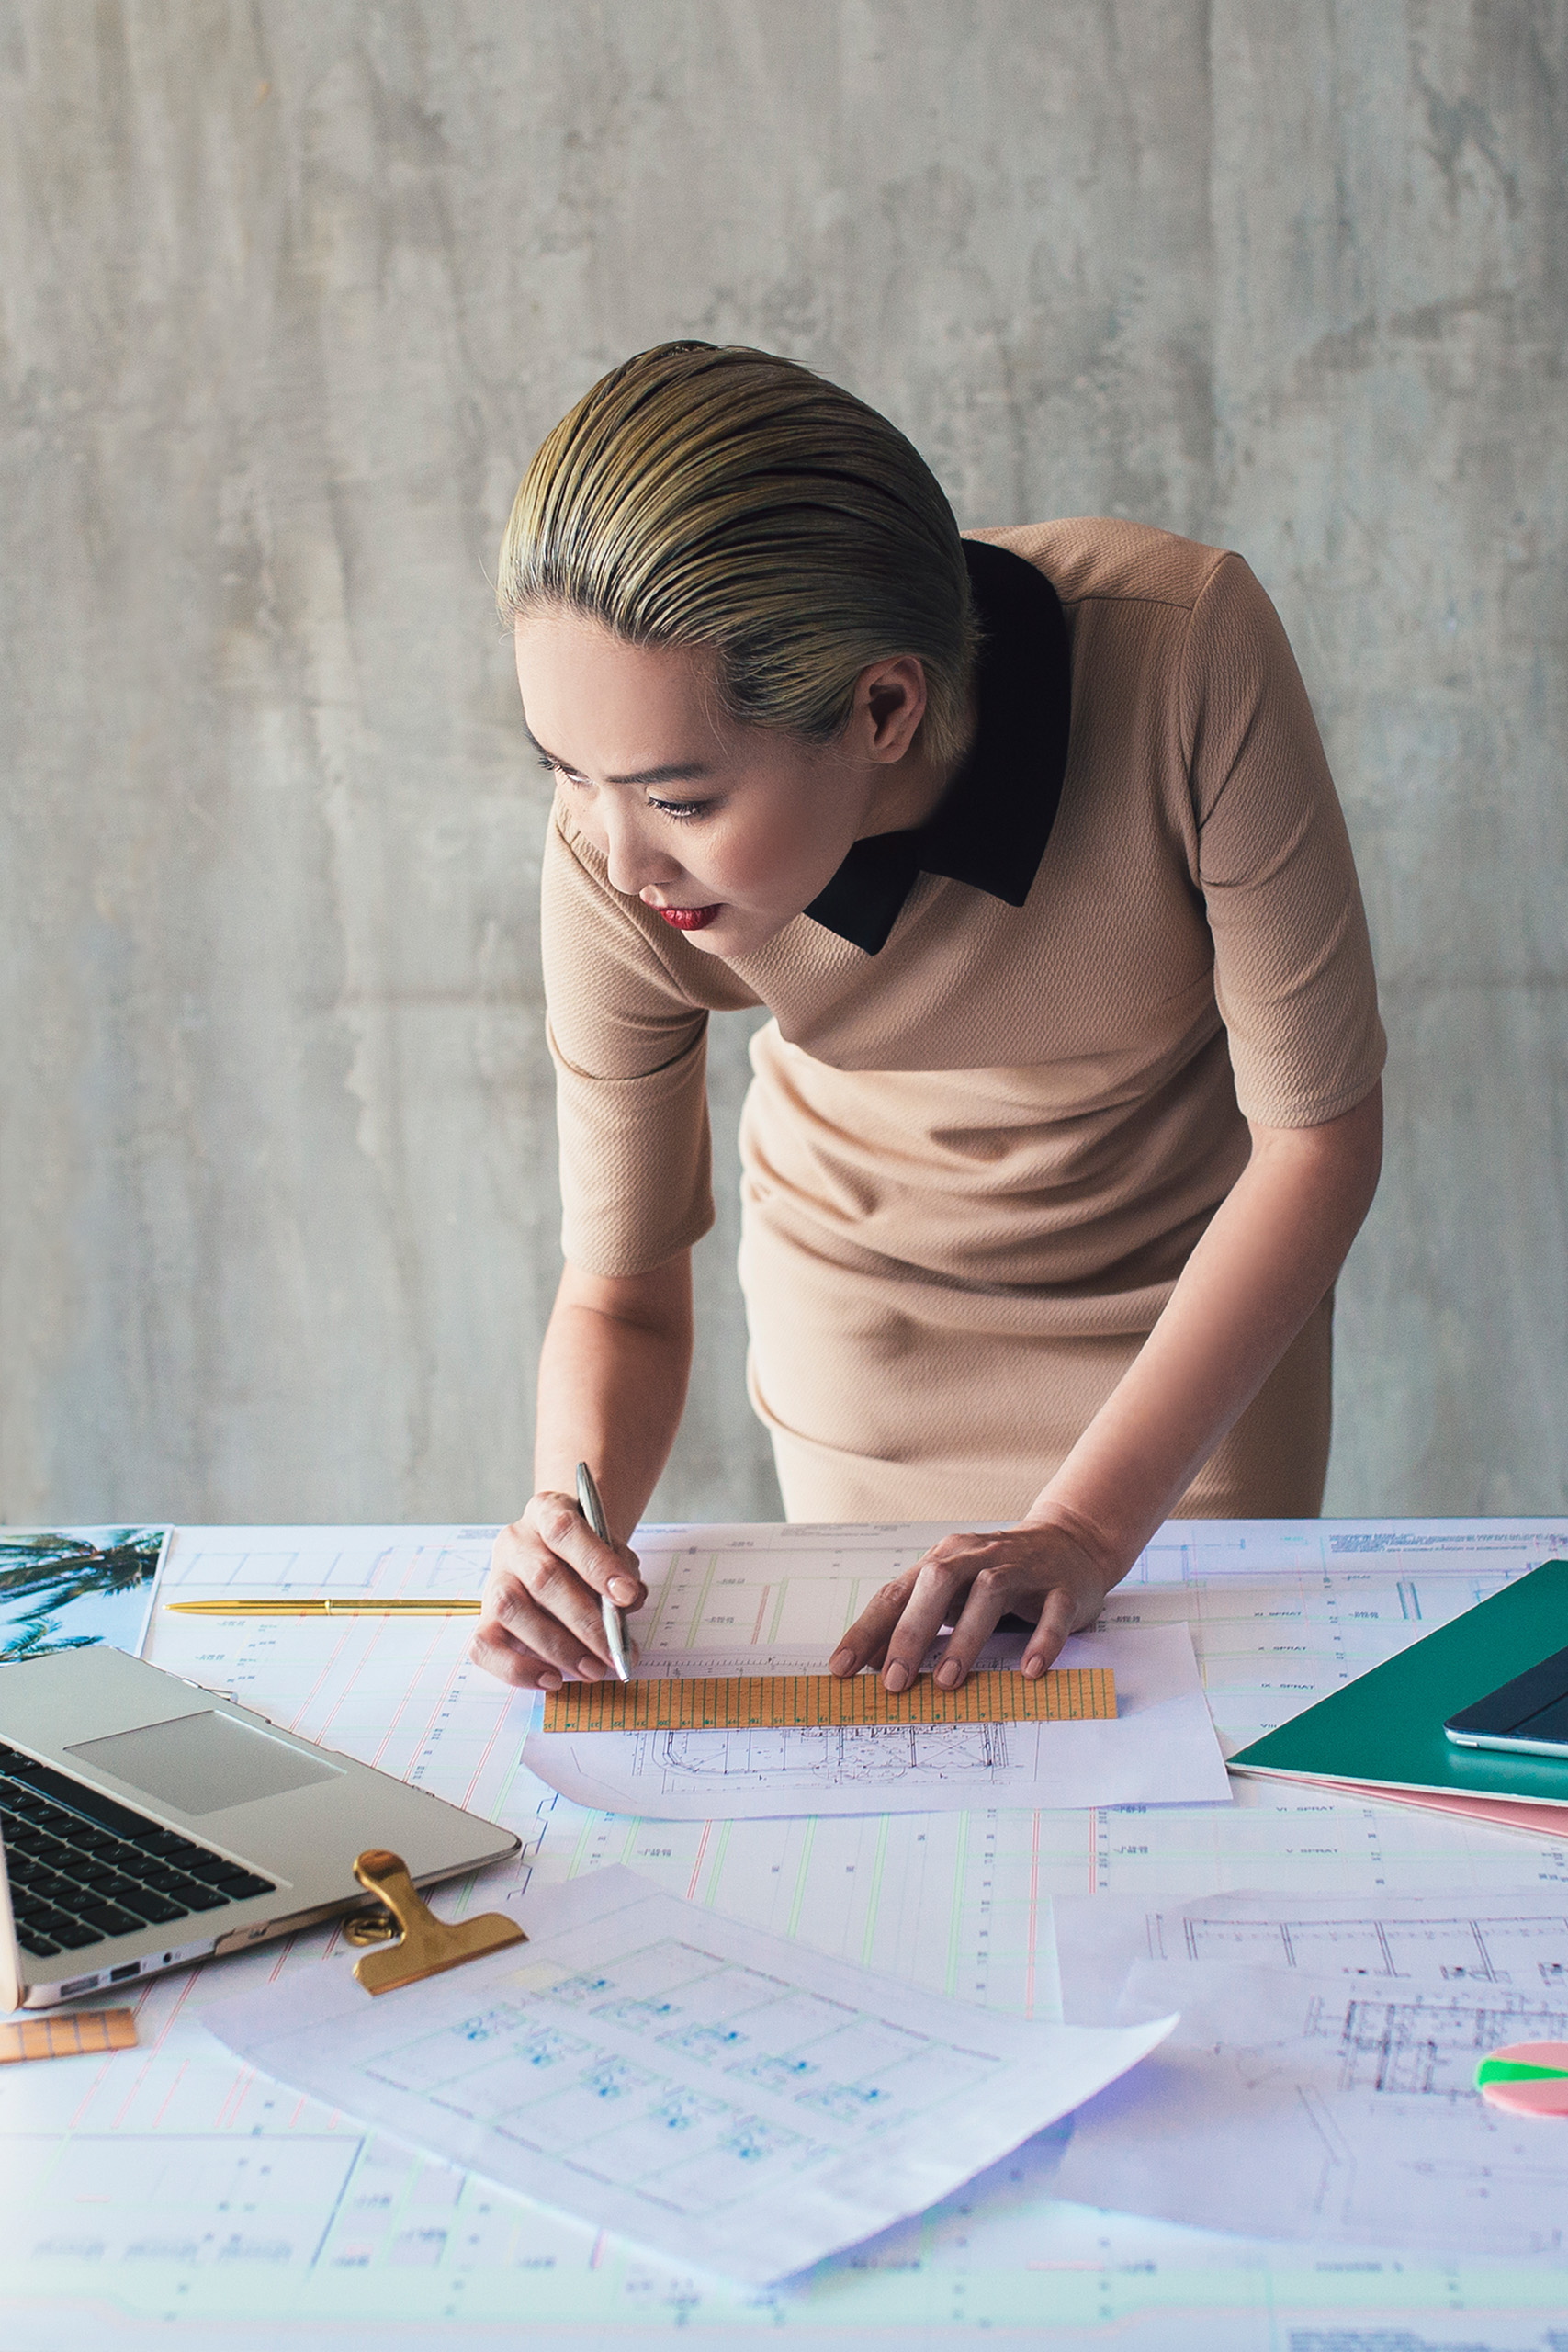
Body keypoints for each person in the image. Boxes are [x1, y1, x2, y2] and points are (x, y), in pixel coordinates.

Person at [471, 342, 1384, 1699]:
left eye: (678, 797)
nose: (612, 854)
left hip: (1190, 1314)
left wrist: (1085, 1525)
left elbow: (1318, 1143)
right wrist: (570, 1527)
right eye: (566, 772)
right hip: (869, 1327)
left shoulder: (1186, 650)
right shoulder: (612, 842)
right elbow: (622, 1292)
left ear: (887, 707)